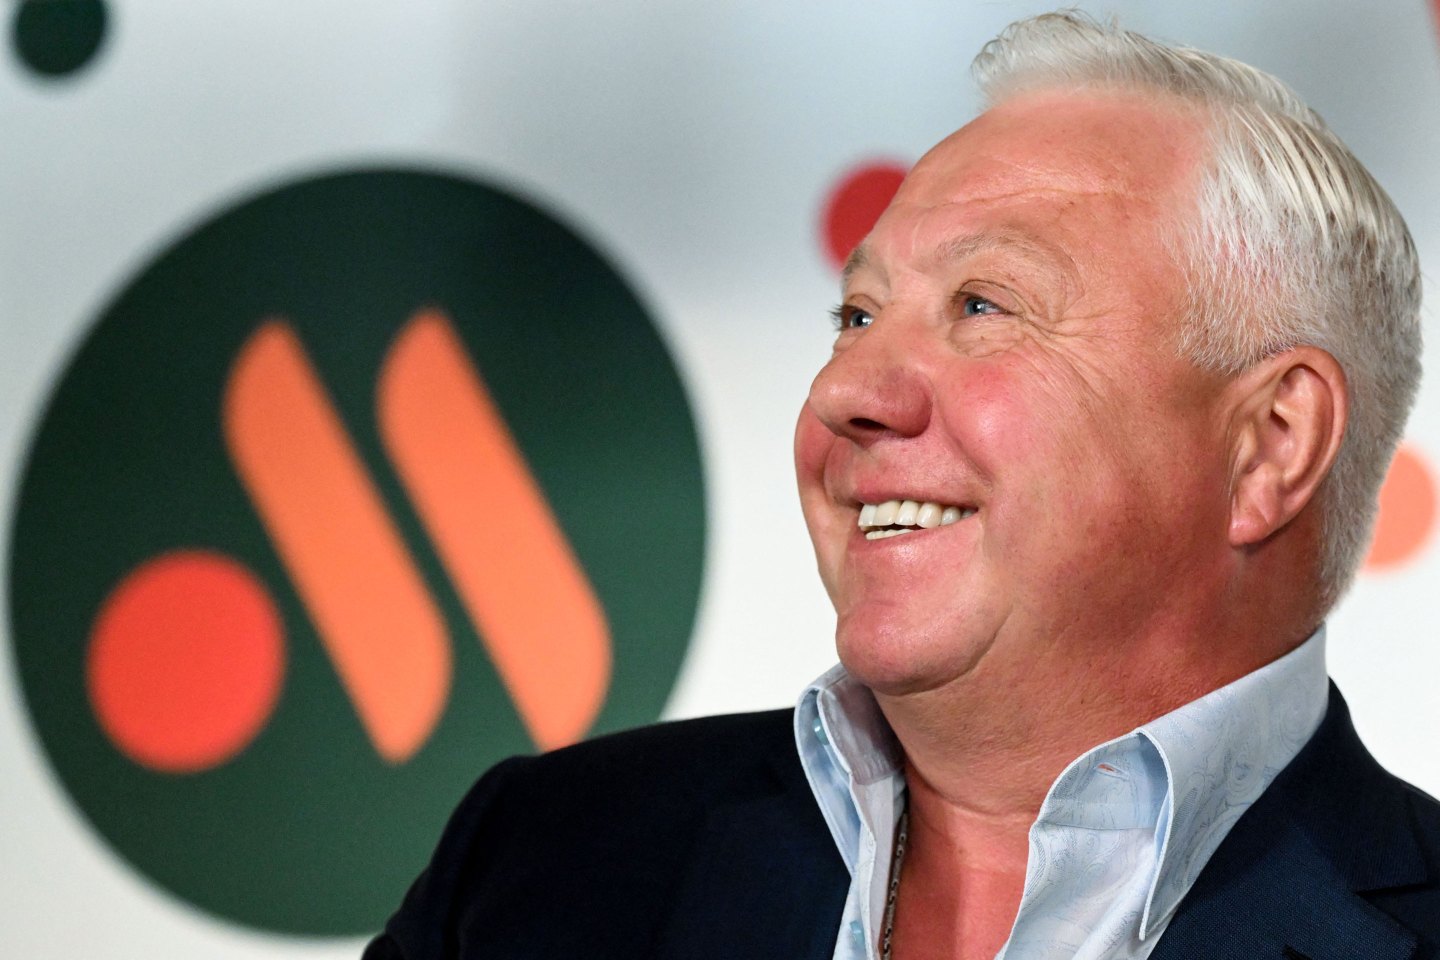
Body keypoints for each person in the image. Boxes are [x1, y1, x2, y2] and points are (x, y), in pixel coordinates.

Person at [364, 12, 1439, 959]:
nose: (843, 392)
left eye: (983, 306)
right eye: (857, 316)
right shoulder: (538, 863)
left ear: (1270, 445)